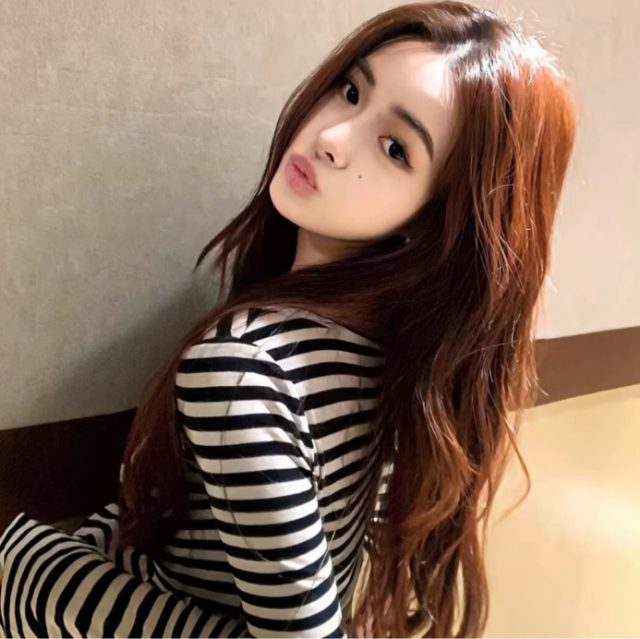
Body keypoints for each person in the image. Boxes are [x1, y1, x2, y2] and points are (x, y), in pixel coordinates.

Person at [0, 1, 578, 637]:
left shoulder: (247, 369)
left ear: (435, 222)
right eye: (350, 91)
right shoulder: (397, 363)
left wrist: (33, 570)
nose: (332, 138)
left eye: (395, 148)